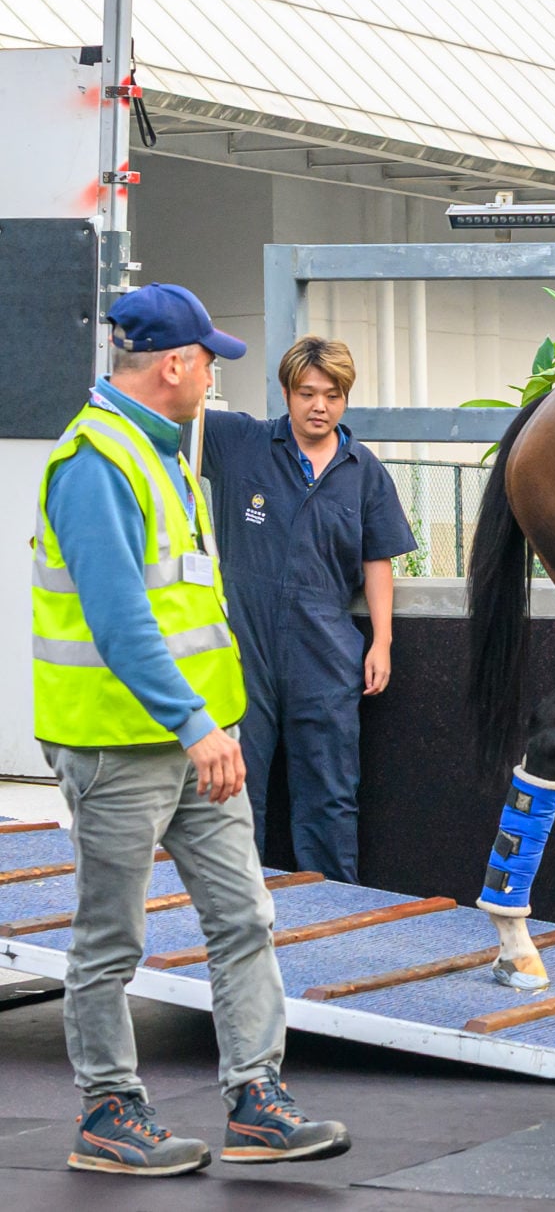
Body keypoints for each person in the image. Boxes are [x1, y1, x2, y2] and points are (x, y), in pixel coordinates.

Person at [31, 283, 350, 1175]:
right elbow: (120, 619)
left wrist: (215, 725)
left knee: (245, 916)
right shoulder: (97, 461)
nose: (214, 373)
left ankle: (256, 1099)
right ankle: (107, 1111)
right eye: (208, 358)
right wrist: (193, 724)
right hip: (121, 745)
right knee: (111, 937)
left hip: (200, 743)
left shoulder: (162, 452)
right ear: (174, 365)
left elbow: (187, 611)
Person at [201, 335, 416, 883]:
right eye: (307, 393)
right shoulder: (240, 443)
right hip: (242, 649)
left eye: (332, 394)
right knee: (233, 788)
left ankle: (332, 911)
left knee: (329, 791)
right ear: (286, 394)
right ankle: (231, 906)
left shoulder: (363, 470)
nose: (319, 406)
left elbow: (378, 561)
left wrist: (383, 643)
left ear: (346, 399)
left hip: (325, 651)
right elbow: (164, 414)